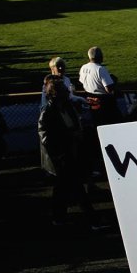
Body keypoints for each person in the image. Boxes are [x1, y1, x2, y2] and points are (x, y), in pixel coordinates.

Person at [39, 76, 104, 228]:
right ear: (56, 93)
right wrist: (67, 140)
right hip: (62, 156)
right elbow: (46, 137)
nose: (68, 92)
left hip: (70, 153)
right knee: (76, 188)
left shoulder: (66, 107)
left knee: (62, 188)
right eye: (63, 90)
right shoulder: (48, 111)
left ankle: (59, 218)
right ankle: (93, 220)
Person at [79, 46, 122, 126]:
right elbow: (109, 89)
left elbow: (82, 82)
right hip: (104, 102)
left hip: (90, 99)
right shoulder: (100, 69)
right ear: (100, 57)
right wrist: (114, 82)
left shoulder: (83, 67)